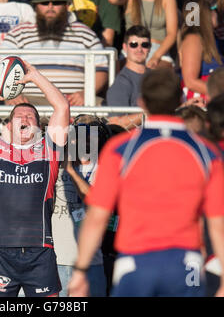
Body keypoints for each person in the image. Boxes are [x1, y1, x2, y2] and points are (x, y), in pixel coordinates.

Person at [68, 68, 224, 297]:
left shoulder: (121, 148)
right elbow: (217, 224)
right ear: (180, 99)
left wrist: (80, 270)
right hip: (185, 263)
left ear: (142, 102)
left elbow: (97, 216)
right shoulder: (206, 152)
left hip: (136, 261)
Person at [0, 60, 70, 297]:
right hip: (0, 250)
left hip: (40, 251)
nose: (24, 118)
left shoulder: (50, 149)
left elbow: (61, 107)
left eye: (30, 116)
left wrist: (35, 76)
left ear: (39, 126)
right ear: (9, 126)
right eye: (19, 115)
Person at [52, 114, 122, 297]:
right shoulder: (56, 164)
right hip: (55, 261)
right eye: (80, 134)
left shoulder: (107, 169)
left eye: (91, 134)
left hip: (92, 263)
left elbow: (94, 202)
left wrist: (71, 172)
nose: (85, 140)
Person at [0, 0, 108, 106]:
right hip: (28, 101)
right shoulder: (18, 32)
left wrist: (85, 94)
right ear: (36, 6)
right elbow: (0, 67)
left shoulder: (85, 33)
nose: (50, 7)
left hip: (73, 102)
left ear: (66, 5)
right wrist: (12, 95)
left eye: (56, 2)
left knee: (104, 108)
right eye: (45, 3)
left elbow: (101, 69)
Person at [108, 0, 178, 69]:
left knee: (157, 75)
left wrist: (156, 56)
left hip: (158, 49)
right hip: (132, 47)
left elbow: (172, 34)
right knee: (122, 70)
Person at [179, 0, 223, 103]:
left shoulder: (214, 39)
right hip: (201, 101)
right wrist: (219, 93)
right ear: (205, 14)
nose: (216, 12)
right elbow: (190, 81)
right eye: (212, 9)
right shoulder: (193, 39)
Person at [106, 25, 151, 106]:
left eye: (144, 45)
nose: (139, 49)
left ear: (150, 48)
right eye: (134, 45)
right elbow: (115, 119)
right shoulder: (120, 84)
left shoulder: (157, 78)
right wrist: (148, 112)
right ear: (125, 47)